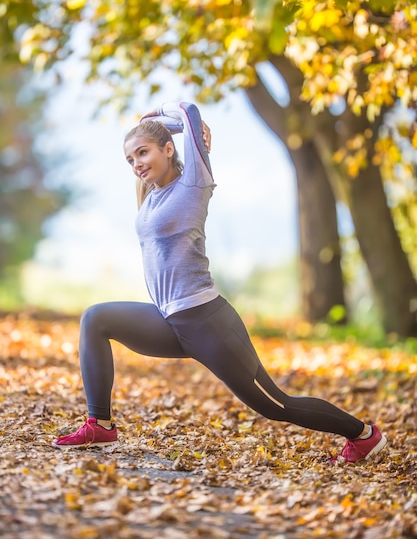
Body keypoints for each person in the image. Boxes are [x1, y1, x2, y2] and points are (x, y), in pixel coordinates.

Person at [53, 101, 387, 464]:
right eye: (130, 159)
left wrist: (162, 120)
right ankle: (99, 425)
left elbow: (189, 111)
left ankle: (363, 435)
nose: (137, 163)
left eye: (143, 152)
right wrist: (157, 134)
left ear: (169, 149)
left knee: (276, 404)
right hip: (171, 320)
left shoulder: (193, 184)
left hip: (208, 322)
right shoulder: (150, 196)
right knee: (96, 318)